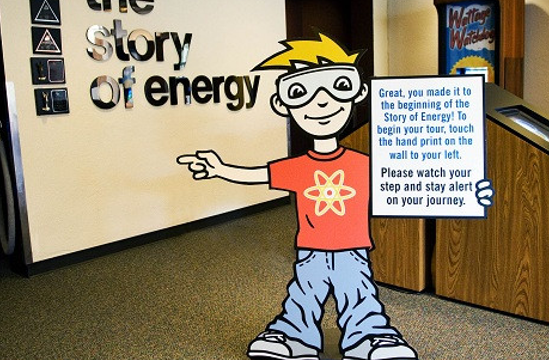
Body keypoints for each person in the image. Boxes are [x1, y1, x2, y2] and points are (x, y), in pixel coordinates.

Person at [177, 33, 420, 360]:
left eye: (339, 86)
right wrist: (220, 169)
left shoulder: (363, 164)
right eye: (300, 92)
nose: (321, 103)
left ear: (359, 92)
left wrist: (470, 192)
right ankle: (294, 338)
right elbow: (260, 174)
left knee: (358, 294)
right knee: (304, 295)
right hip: (311, 250)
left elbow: (411, 185)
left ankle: (370, 338)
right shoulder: (298, 167)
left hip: (352, 249)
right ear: (283, 104)